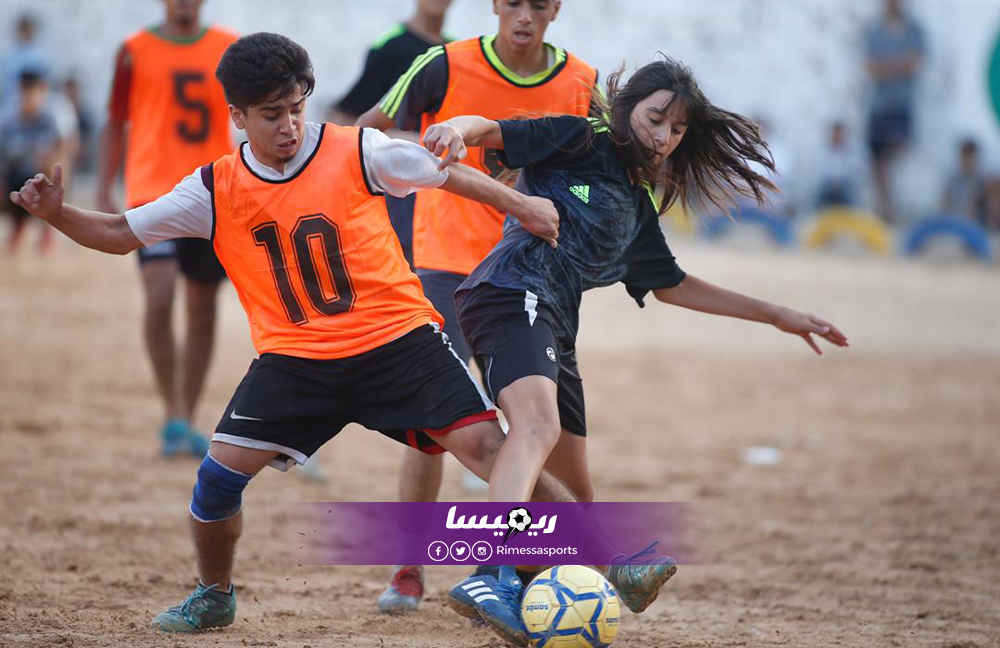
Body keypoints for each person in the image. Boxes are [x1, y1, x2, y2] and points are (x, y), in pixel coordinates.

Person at [10, 32, 685, 636]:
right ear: (238, 116)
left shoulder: (355, 150)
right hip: (296, 363)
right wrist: (58, 213)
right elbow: (121, 233)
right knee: (215, 484)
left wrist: (524, 204)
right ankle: (214, 594)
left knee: (494, 449)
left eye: (297, 107)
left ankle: (615, 564)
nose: (289, 125)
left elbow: (445, 173)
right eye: (271, 114)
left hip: (400, 344)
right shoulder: (214, 188)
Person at [417, 57, 849, 645]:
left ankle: (570, 577)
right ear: (625, 110)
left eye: (676, 131)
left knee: (577, 493)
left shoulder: (636, 206)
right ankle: (492, 571)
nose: (663, 138)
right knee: (536, 428)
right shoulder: (580, 136)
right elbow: (489, 128)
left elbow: (672, 284)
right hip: (508, 292)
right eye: (654, 119)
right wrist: (455, 131)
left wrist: (777, 314)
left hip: (554, 326)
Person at [357, 0, 598, 613]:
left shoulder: (581, 84)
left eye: (538, 5)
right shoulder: (442, 64)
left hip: (535, 274)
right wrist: (426, 155)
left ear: (556, 9)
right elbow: (365, 133)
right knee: (435, 421)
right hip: (444, 263)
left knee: (544, 429)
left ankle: (528, 567)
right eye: (512, 2)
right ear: (494, 5)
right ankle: (409, 566)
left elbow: (599, 170)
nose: (524, 15)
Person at [95, 0, 238, 457]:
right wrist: (102, 186)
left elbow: (251, 115)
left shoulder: (229, 48)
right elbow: (115, 122)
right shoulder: (133, 50)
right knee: (159, 295)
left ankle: (187, 417)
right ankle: (172, 411)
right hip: (151, 194)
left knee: (203, 307)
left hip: (211, 193)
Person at [329, 0, 453, 269]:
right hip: (401, 191)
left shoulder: (454, 51)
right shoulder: (390, 47)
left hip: (446, 187)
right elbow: (348, 117)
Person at [864, 0, 926, 224]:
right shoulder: (875, 30)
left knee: (892, 154)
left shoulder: (914, 29)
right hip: (880, 105)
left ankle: (890, 210)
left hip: (900, 104)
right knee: (876, 160)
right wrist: (900, 65)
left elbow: (915, 63)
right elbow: (872, 68)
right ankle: (886, 210)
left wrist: (885, 67)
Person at [1, 70, 61, 252]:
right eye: (24, 92)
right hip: (14, 174)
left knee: (50, 168)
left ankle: (47, 229)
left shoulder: (49, 118)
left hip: (39, 175)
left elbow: (56, 150)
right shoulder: (9, 119)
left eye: (31, 92)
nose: (27, 97)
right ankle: (18, 224)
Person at [816, 122, 866, 209]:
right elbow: (819, 171)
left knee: (851, 192)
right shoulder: (822, 150)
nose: (837, 136)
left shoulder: (853, 150)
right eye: (835, 133)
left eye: (839, 134)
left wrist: (840, 182)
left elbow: (856, 171)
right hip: (828, 185)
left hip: (846, 184)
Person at [941, 139, 988, 225]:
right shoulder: (952, 181)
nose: (966, 161)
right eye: (964, 156)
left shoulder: (982, 182)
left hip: (975, 226)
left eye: (969, 157)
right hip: (953, 223)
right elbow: (946, 204)